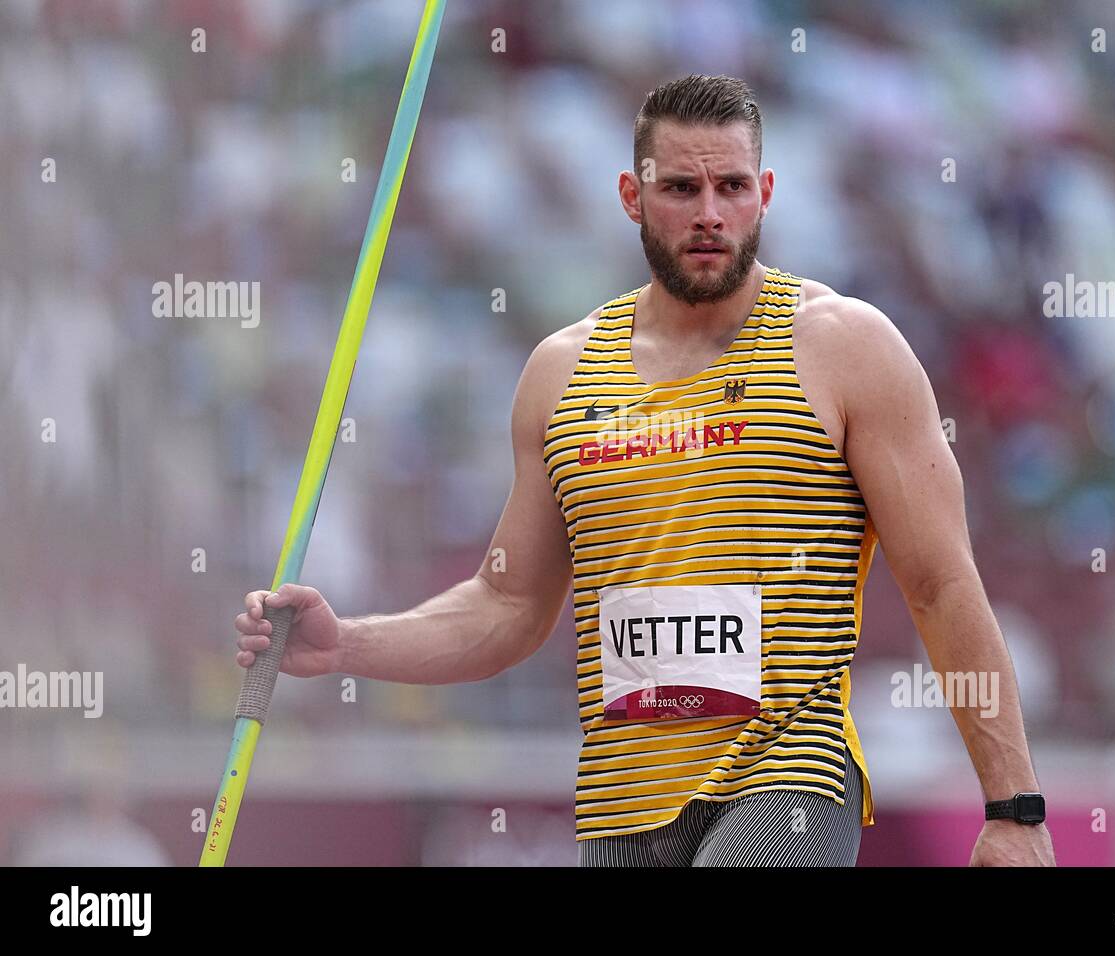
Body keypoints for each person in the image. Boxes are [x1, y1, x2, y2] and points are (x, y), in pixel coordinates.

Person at [234, 74, 1055, 867]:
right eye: (681, 190)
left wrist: (1012, 808)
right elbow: (508, 603)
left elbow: (943, 585)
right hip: (622, 803)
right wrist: (348, 645)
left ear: (765, 193)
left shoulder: (844, 347)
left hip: (787, 782)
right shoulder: (563, 373)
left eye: (732, 188)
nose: (710, 215)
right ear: (632, 195)